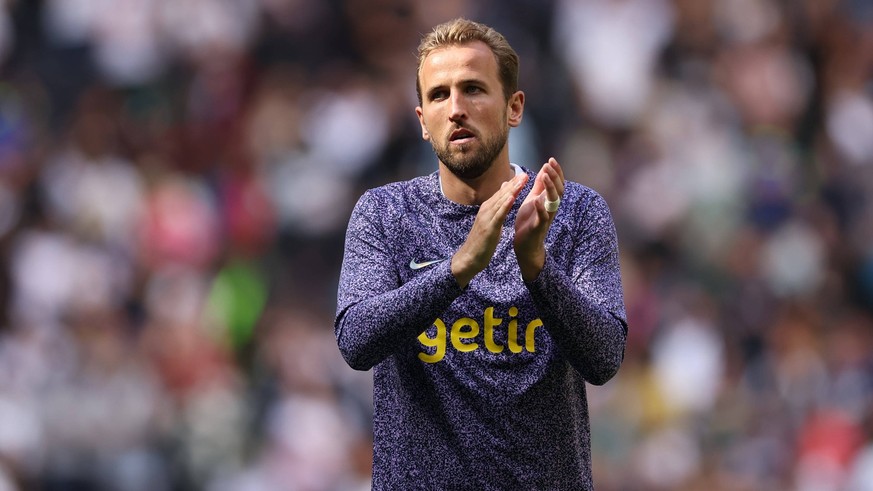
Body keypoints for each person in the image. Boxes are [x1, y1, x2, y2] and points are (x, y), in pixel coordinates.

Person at [335, 17, 627, 490]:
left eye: (473, 89)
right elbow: (355, 339)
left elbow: (605, 357)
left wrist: (537, 267)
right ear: (422, 122)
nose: (456, 109)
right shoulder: (384, 214)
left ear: (514, 108)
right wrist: (457, 269)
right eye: (439, 95)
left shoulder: (573, 211)